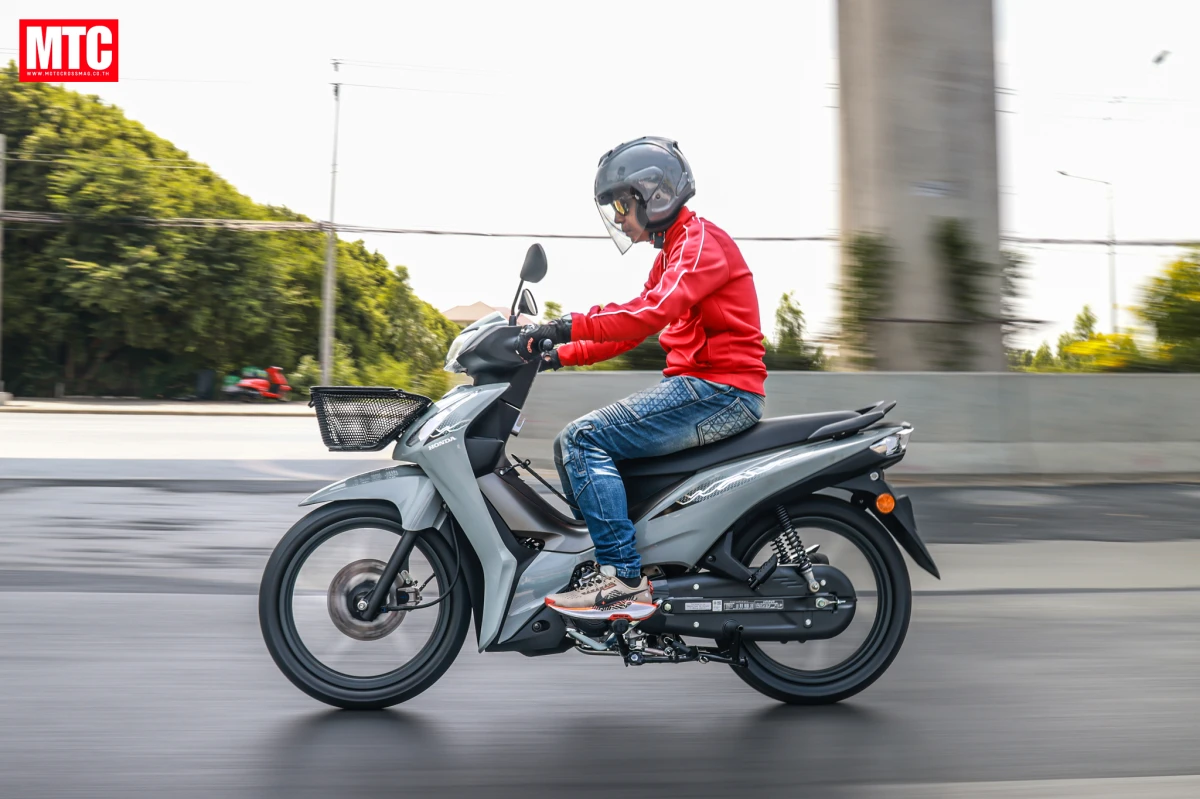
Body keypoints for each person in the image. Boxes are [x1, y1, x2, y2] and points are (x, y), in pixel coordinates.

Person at [516, 137, 768, 621]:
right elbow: (628, 331)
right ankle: (628, 563)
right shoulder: (672, 253)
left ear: (655, 194)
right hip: (703, 387)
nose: (617, 218)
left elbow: (650, 313)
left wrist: (566, 325)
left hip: (720, 390)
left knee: (583, 439)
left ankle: (622, 580)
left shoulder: (700, 243)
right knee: (580, 446)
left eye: (621, 204)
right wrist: (557, 354)